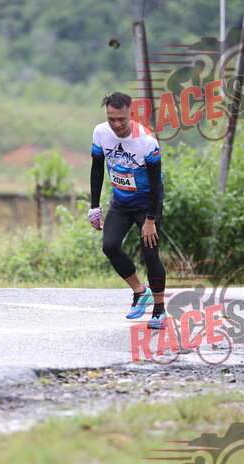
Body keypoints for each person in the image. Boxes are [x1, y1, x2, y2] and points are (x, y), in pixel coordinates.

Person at [88, 92, 167, 328]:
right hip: (121, 202)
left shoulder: (146, 141)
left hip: (146, 204)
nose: (116, 125)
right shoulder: (100, 133)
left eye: (121, 119)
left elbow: (156, 184)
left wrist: (150, 220)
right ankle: (140, 292)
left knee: (150, 254)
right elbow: (96, 169)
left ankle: (159, 311)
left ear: (131, 114)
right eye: (111, 119)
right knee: (109, 246)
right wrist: (94, 206)